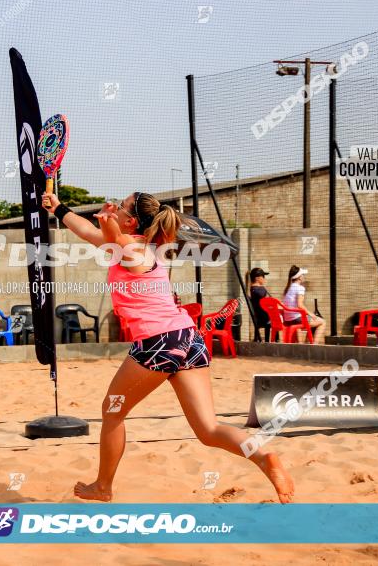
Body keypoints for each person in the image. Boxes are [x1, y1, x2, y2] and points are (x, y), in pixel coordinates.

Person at [42, 190, 294, 504]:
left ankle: (103, 486)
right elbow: (90, 232)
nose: (115, 207)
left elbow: (106, 232)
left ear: (131, 219)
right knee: (208, 429)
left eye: (121, 206)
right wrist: (59, 208)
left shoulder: (131, 248)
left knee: (112, 412)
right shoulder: (143, 247)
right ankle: (264, 455)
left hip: (158, 342)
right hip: (188, 338)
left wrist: (107, 220)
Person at [282, 265, 325, 344]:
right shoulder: (300, 288)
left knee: (306, 318)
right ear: (299, 277)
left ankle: (301, 343)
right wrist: (312, 315)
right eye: (303, 275)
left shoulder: (287, 288)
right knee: (322, 322)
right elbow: (300, 305)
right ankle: (315, 345)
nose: (304, 276)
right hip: (296, 319)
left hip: (288, 319)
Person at [248, 267, 272, 342]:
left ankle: (257, 338)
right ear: (257, 278)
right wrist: (264, 288)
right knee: (278, 320)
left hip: (259, 317)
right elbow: (264, 295)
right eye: (263, 277)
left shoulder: (253, 289)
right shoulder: (258, 289)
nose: (264, 279)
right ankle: (275, 341)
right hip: (264, 319)